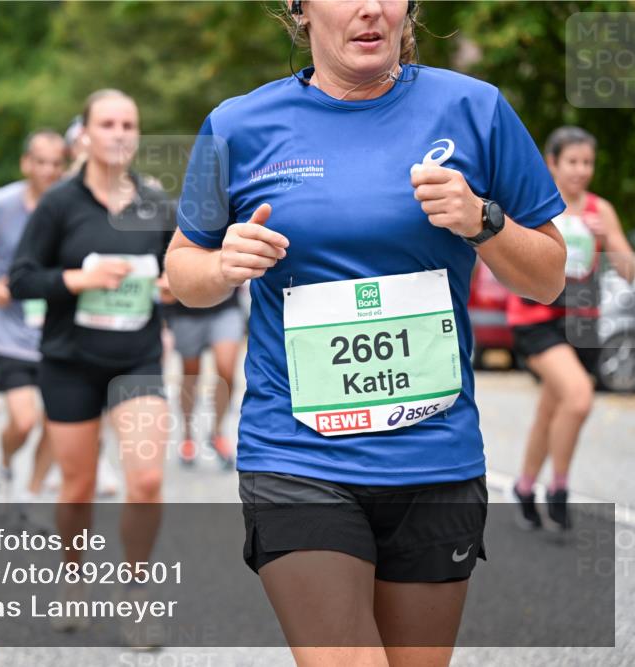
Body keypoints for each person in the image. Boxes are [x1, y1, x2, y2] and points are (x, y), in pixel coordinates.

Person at [164, 2, 568, 664]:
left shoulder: (476, 109)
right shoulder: (238, 125)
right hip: (297, 454)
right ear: (300, 8)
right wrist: (221, 265)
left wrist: (482, 219)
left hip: (433, 457)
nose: (371, 7)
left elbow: (548, 277)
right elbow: (183, 272)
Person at [9, 89, 174, 645]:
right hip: (71, 362)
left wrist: (172, 285)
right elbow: (21, 279)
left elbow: (178, 270)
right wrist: (79, 279)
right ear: (85, 133)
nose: (119, 133)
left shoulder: (154, 202)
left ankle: (136, 595)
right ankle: (73, 576)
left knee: (146, 480)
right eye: (108, 123)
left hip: (137, 359)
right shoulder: (59, 203)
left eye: (129, 124)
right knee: (78, 487)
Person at [507, 126, 635, 531]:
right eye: (573, 161)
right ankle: (559, 487)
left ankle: (524, 486)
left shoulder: (600, 210)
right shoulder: (536, 202)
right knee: (578, 397)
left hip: (582, 322)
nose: (581, 170)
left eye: (587, 162)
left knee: (552, 409)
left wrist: (607, 239)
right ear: (552, 163)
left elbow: (628, 269)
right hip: (536, 317)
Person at [0, 131, 66, 503]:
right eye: (41, 162)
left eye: (56, 163)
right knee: (23, 422)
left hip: (57, 330)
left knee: (58, 423)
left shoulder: (70, 205)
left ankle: (32, 493)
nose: (48, 170)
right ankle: (6, 462)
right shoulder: (1, 205)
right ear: (26, 163)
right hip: (9, 330)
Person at [164, 291, 243, 469]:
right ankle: (187, 435)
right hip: (186, 310)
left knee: (227, 371)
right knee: (190, 374)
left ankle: (217, 432)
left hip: (226, 307)